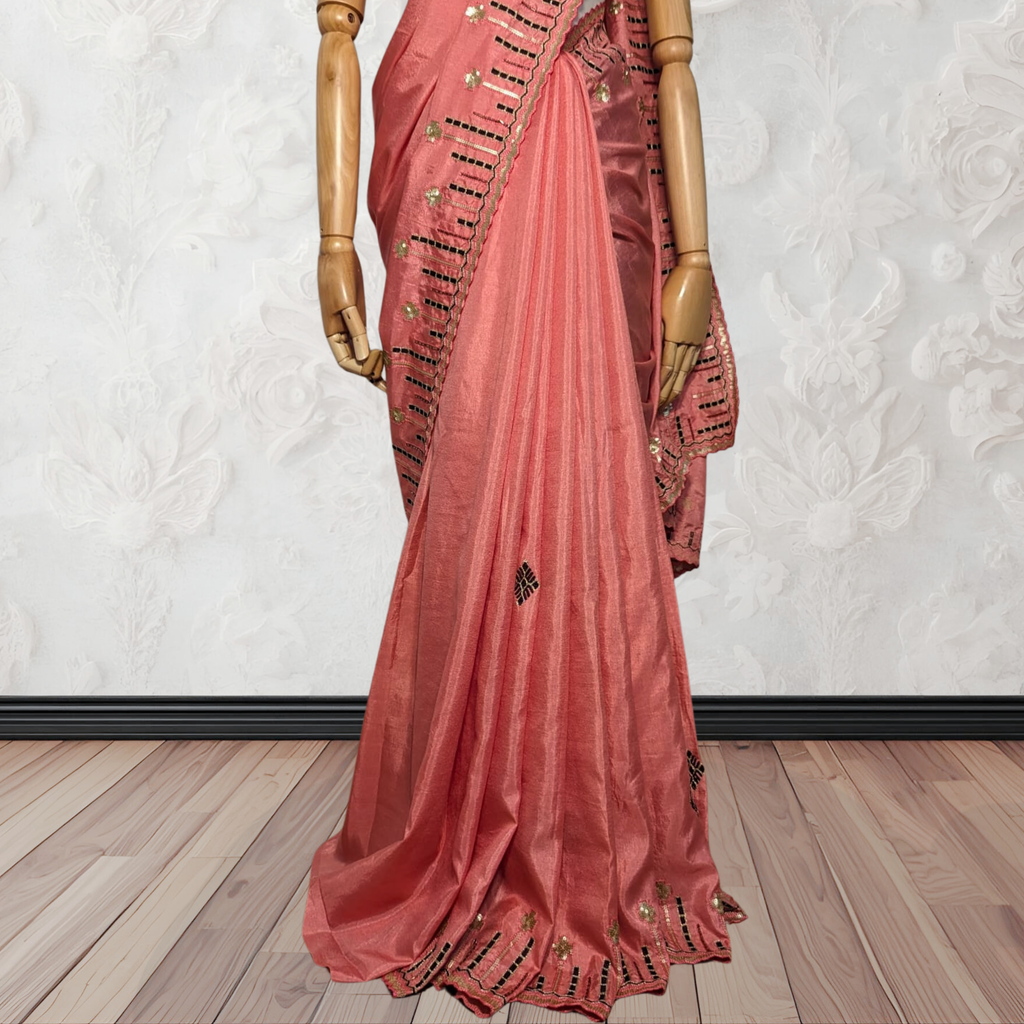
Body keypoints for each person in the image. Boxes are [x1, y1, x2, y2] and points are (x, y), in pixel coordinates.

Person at [302, 0, 746, 1019]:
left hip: (591, 148)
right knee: (471, 494)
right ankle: (472, 824)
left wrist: (693, 258)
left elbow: (670, 46)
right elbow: (336, 25)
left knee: (583, 461)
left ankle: (590, 834)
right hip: (447, 134)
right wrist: (335, 241)